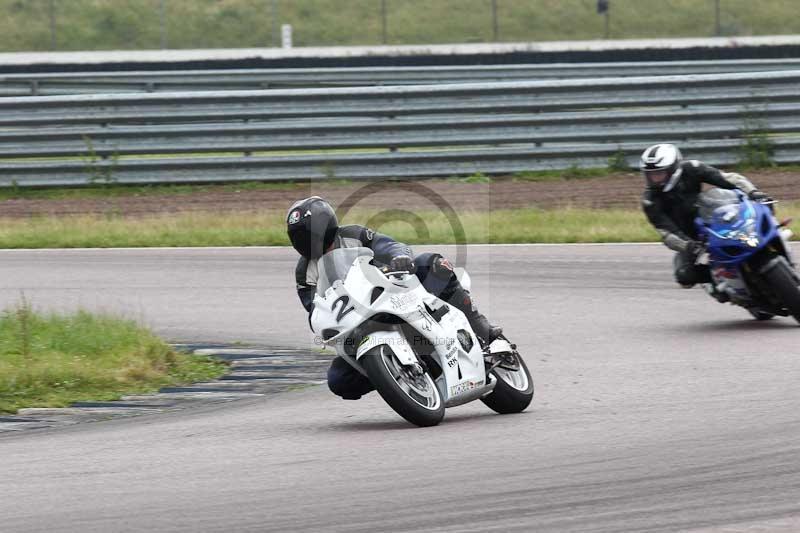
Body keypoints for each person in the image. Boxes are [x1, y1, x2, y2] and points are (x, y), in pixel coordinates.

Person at [287, 196, 503, 400]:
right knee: (339, 380)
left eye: (308, 234)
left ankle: (483, 329)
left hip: (394, 292)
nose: (305, 241)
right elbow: (314, 309)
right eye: (298, 236)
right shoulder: (304, 272)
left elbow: (389, 246)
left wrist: (399, 257)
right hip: (357, 322)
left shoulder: (354, 235)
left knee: (431, 263)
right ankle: (394, 375)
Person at [640, 143, 771, 297]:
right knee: (685, 277)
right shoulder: (650, 201)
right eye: (650, 175)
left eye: (659, 174)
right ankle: (719, 285)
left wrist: (753, 192)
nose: (653, 179)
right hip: (689, 239)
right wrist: (688, 245)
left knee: (756, 221)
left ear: (673, 169)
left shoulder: (692, 168)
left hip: (713, 220)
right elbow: (666, 231)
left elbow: (728, 179)